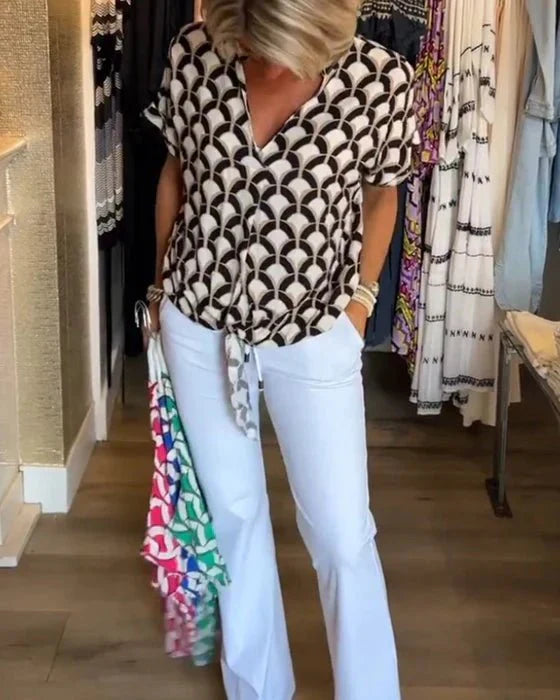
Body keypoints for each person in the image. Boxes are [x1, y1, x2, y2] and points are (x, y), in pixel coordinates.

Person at [145, 1, 415, 697]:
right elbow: (176, 172)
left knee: (342, 535)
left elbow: (382, 195)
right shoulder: (194, 53)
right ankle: (257, 687)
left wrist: (359, 304)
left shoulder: (380, 77)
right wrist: (160, 292)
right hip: (200, 321)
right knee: (233, 517)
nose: (266, 61)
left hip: (317, 329)